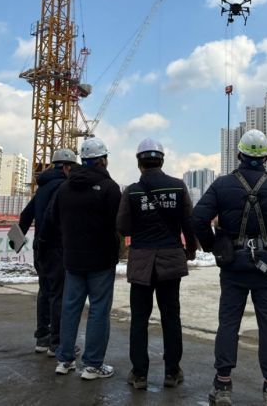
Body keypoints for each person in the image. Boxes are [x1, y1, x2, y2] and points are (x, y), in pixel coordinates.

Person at [192, 129, 267, 406]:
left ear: (239, 155)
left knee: (228, 322)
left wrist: (213, 247)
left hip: (233, 266)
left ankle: (222, 386)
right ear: (266, 157)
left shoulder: (222, 185)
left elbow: (197, 218)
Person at [117, 138, 198, 391]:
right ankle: (172, 372)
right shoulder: (178, 186)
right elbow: (189, 223)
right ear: (161, 160)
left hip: (142, 261)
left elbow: (123, 227)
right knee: (171, 317)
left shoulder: (132, 191)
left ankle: (139, 374)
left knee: (139, 319)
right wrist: (191, 250)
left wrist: (142, 227)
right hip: (170, 261)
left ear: (139, 162)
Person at [53, 137, 122, 380]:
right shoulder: (109, 187)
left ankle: (64, 359)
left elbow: (54, 220)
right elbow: (119, 223)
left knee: (70, 308)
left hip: (73, 258)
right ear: (103, 160)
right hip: (101, 259)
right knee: (98, 310)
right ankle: (92, 365)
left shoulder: (64, 188)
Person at [15, 149, 77, 354]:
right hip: (55, 247)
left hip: (39, 249)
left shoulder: (43, 187)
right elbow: (54, 216)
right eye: (72, 168)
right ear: (66, 167)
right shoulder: (63, 186)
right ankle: (56, 342)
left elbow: (25, 215)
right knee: (59, 294)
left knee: (45, 291)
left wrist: (15, 242)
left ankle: (42, 337)